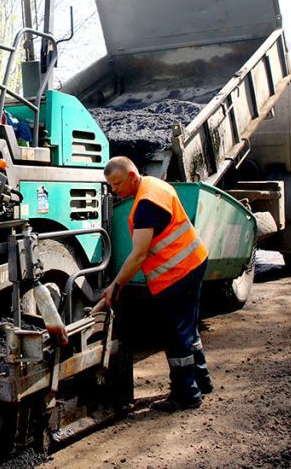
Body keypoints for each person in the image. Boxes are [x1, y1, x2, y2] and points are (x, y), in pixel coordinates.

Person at [99, 155, 213, 412]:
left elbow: (138, 254)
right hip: (193, 261)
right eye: (111, 186)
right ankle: (201, 381)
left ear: (131, 176)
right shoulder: (155, 184)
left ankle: (186, 394)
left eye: (117, 184)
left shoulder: (146, 204)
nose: (115, 191)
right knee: (189, 329)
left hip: (178, 272)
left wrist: (115, 286)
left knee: (176, 334)